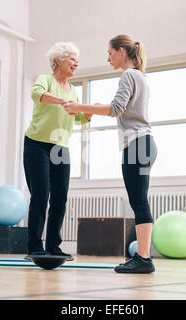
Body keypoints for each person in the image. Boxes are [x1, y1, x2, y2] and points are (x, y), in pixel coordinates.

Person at [63, 34, 157, 273]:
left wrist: (80, 107)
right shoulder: (139, 77)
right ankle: (144, 258)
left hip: (137, 144)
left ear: (122, 51)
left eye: (110, 53)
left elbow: (115, 109)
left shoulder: (129, 74)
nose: (108, 58)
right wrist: (91, 107)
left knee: (138, 201)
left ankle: (144, 259)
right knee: (139, 200)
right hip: (143, 143)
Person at [23, 42, 91, 260]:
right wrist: (63, 101)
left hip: (60, 148)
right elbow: (37, 94)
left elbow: (79, 119)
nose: (76, 63)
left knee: (60, 197)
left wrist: (87, 114)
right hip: (37, 144)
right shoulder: (46, 79)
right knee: (41, 194)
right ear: (58, 61)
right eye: (71, 58)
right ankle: (34, 245)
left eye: (76, 60)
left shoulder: (74, 91)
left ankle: (53, 244)